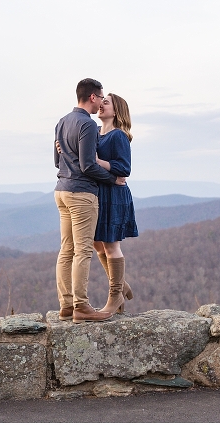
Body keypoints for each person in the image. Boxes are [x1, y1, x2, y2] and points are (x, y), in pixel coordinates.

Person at [54, 78, 125, 324]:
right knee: (83, 250)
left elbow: (57, 160)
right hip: (81, 193)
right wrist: (111, 179)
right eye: (100, 97)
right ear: (92, 97)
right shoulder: (87, 125)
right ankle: (81, 307)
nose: (101, 103)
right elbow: (87, 165)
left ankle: (65, 305)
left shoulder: (62, 123)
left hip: (61, 190)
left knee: (66, 250)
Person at [92, 93, 138, 314]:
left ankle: (115, 295)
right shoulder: (96, 134)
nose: (101, 105)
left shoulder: (118, 136)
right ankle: (121, 285)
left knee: (111, 246)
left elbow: (125, 168)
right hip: (100, 195)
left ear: (116, 110)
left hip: (115, 196)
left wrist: (98, 162)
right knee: (96, 243)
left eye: (106, 103)